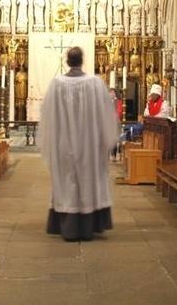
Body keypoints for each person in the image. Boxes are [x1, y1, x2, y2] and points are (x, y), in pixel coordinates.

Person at [38, 47, 118, 241]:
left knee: (67, 182)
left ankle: (67, 224)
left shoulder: (57, 85)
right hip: (90, 145)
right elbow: (107, 115)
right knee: (88, 180)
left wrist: (52, 142)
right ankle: (89, 225)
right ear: (82, 60)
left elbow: (47, 117)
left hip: (64, 145)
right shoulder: (96, 84)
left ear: (67, 61)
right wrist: (107, 140)